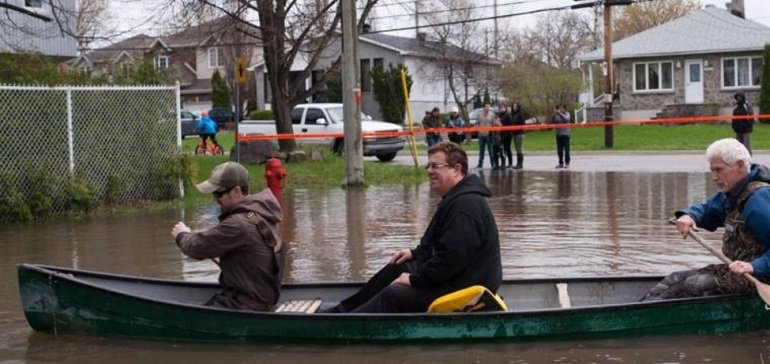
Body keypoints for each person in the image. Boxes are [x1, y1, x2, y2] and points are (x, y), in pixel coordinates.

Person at [322, 141, 502, 313]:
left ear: (456, 170)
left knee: (395, 293)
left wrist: (415, 280)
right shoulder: (457, 200)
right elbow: (440, 245)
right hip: (456, 280)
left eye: (435, 166)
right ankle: (341, 312)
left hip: (466, 290)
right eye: (428, 166)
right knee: (399, 266)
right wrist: (416, 253)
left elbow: (450, 259)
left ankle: (342, 327)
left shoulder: (466, 206)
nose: (429, 171)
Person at [640, 138, 770, 301]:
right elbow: (708, 209)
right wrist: (689, 216)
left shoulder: (759, 201)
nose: (714, 177)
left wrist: (753, 266)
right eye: (712, 171)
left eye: (719, 170)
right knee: (673, 279)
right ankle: (639, 310)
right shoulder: (734, 193)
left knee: (695, 284)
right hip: (737, 270)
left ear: (740, 165)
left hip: (760, 276)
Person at [171, 161, 284, 311]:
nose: (215, 199)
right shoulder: (260, 214)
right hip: (260, 298)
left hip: (243, 306)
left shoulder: (238, 225)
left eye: (219, 193)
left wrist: (182, 235)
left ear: (237, 191)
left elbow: (197, 247)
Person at [732, 91, 755, 155]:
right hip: (738, 129)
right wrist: (734, 126)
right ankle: (739, 157)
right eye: (737, 97)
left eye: (740, 97)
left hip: (746, 129)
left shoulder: (747, 106)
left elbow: (751, 117)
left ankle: (748, 157)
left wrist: (747, 125)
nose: (738, 99)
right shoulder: (736, 106)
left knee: (746, 145)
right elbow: (734, 118)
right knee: (737, 145)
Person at [475, 103, 496, 169]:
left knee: (491, 150)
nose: (488, 108)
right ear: (483, 107)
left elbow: (494, 123)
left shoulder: (492, 114)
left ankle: (493, 164)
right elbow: (477, 123)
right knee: (481, 151)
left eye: (489, 107)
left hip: (489, 135)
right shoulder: (479, 114)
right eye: (486, 107)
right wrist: (478, 130)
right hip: (481, 135)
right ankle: (480, 164)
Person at [551, 105, 571, 169]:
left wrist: (559, 113)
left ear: (565, 109)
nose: (560, 109)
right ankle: (560, 163)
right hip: (559, 135)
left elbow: (566, 119)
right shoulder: (557, 115)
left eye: (562, 108)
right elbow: (553, 121)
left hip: (566, 135)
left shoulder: (567, 114)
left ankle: (567, 163)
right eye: (559, 108)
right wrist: (554, 114)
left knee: (567, 150)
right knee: (559, 150)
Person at [497, 103, 514, 168]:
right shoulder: (499, 115)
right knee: (501, 149)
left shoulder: (507, 115)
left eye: (502, 107)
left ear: (505, 108)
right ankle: (503, 163)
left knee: (507, 149)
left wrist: (503, 126)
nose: (501, 109)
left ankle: (510, 163)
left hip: (507, 135)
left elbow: (510, 125)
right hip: (501, 134)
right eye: (500, 108)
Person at [511, 102, 526, 170]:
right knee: (517, 149)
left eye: (515, 106)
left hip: (519, 134)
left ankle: (520, 164)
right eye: (513, 106)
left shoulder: (520, 114)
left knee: (519, 149)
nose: (514, 107)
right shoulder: (513, 114)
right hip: (515, 134)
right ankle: (518, 163)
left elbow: (523, 124)